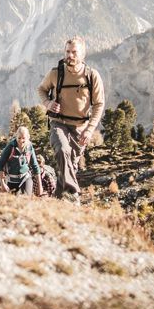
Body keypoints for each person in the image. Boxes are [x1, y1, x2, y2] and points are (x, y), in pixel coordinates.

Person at [37, 36, 105, 202]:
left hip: (80, 128)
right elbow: (41, 89)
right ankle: (73, 193)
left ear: (83, 54)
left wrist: (89, 130)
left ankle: (58, 203)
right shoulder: (56, 73)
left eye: (74, 52)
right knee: (62, 149)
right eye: (68, 52)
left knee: (69, 167)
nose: (70, 55)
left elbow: (99, 104)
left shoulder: (92, 76)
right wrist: (48, 103)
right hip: (58, 123)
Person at [0, 126, 42, 195]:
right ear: (16, 137)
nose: (21, 141)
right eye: (19, 138)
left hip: (25, 177)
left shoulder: (29, 147)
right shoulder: (11, 147)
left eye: (23, 138)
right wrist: (2, 184)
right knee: (13, 202)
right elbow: (0, 165)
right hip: (11, 180)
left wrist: (40, 186)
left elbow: (35, 166)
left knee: (26, 198)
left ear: (28, 138)